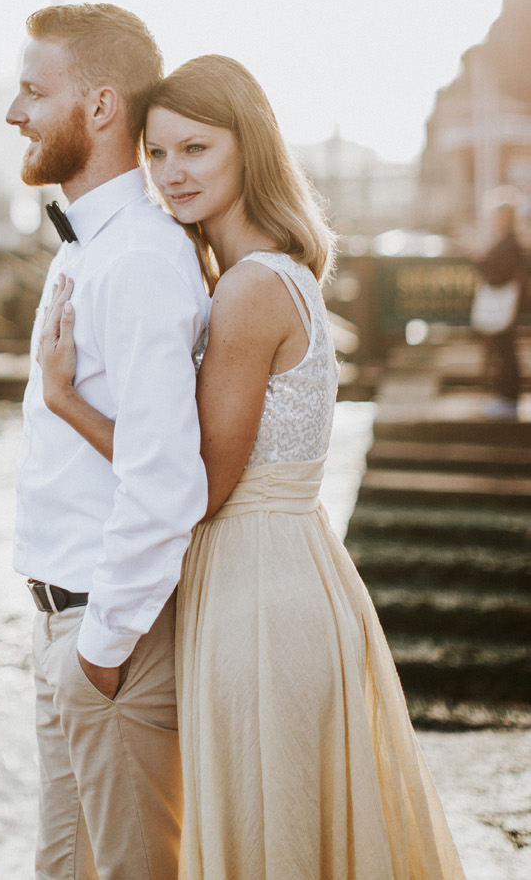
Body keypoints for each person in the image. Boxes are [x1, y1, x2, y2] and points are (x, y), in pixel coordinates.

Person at [40, 54, 465, 879]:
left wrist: (69, 401)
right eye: (156, 155)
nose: (171, 174)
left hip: (258, 599)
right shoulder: (278, 274)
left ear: (249, 149)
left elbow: (196, 486)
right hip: (289, 575)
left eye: (195, 150)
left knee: (269, 839)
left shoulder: (247, 291)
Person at [6, 4, 211, 880]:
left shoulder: (137, 262)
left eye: (31, 91)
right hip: (69, 631)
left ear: (96, 108)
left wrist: (97, 657)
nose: (13, 114)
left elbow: (165, 484)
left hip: (105, 641)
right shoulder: (87, 250)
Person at [474, 193, 525, 421]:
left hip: (506, 307)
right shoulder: (508, 241)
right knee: (504, 351)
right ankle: (505, 397)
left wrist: (478, 259)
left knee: (506, 352)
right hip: (506, 307)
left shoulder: (511, 243)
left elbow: (498, 275)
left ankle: (508, 399)